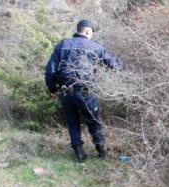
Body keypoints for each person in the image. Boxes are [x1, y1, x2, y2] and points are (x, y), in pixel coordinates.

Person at [45, 19, 121, 163]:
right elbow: (113, 65)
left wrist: (52, 89)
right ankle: (102, 152)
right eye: (91, 32)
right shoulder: (95, 47)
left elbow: (50, 71)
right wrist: (121, 64)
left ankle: (79, 155)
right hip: (85, 91)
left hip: (65, 92)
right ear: (87, 31)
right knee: (93, 120)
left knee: (72, 122)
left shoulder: (62, 45)